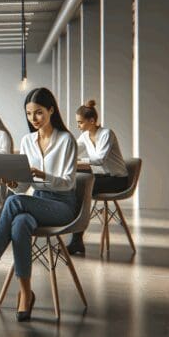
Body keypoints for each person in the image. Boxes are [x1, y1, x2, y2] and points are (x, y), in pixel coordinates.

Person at [0, 88, 77, 322]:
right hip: (37, 202)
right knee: (19, 222)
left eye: (38, 112)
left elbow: (69, 183)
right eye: (29, 114)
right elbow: (22, 188)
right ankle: (25, 293)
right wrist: (13, 183)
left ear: (51, 110)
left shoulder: (66, 140)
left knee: (13, 202)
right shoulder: (27, 141)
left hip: (62, 205)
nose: (33, 118)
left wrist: (44, 175)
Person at [67, 99, 128, 255]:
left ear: (92, 121)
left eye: (80, 122)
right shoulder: (85, 136)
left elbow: (100, 159)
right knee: (78, 184)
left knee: (81, 189)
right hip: (102, 177)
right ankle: (76, 240)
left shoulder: (107, 134)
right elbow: (72, 150)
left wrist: (79, 161)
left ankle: (76, 241)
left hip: (118, 180)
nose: (78, 126)